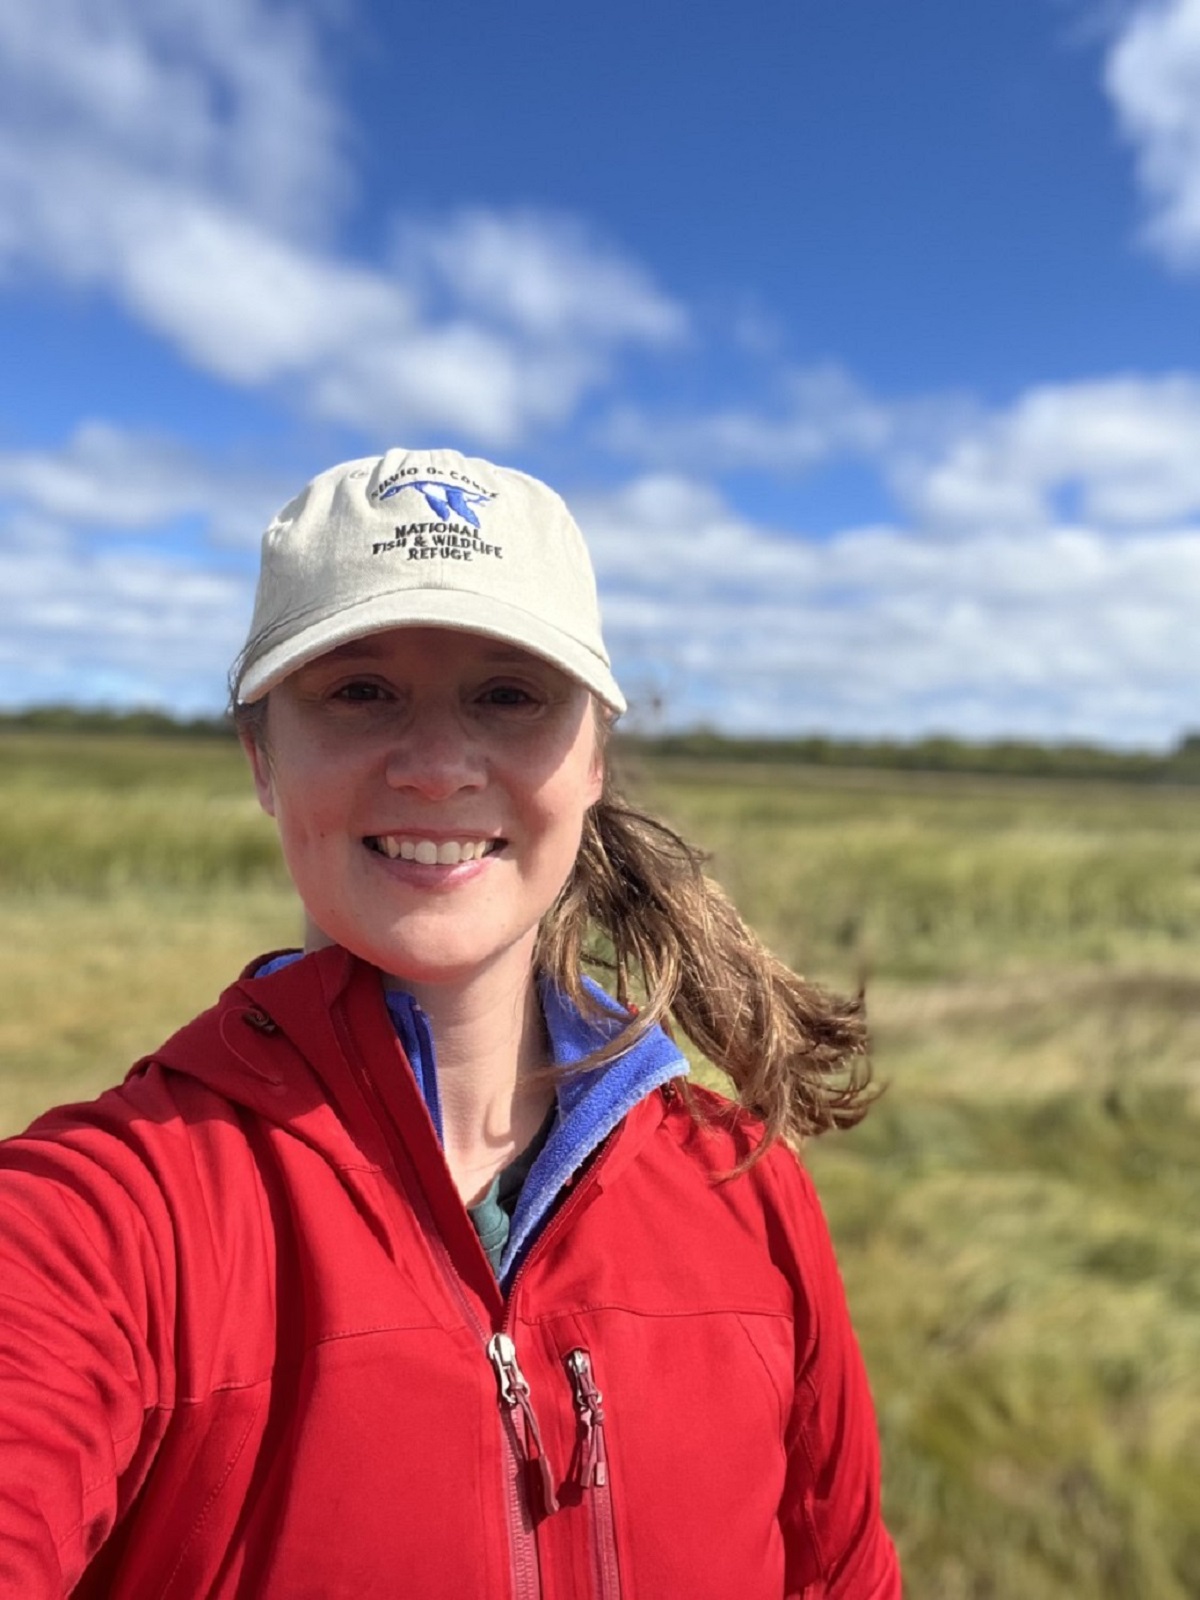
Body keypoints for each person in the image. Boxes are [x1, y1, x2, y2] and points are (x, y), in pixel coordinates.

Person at [0, 447, 900, 1597]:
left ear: (593, 758)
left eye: (509, 694)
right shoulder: (107, 1222)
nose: (436, 767)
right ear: (262, 758)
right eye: (359, 691)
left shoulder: (747, 1189)